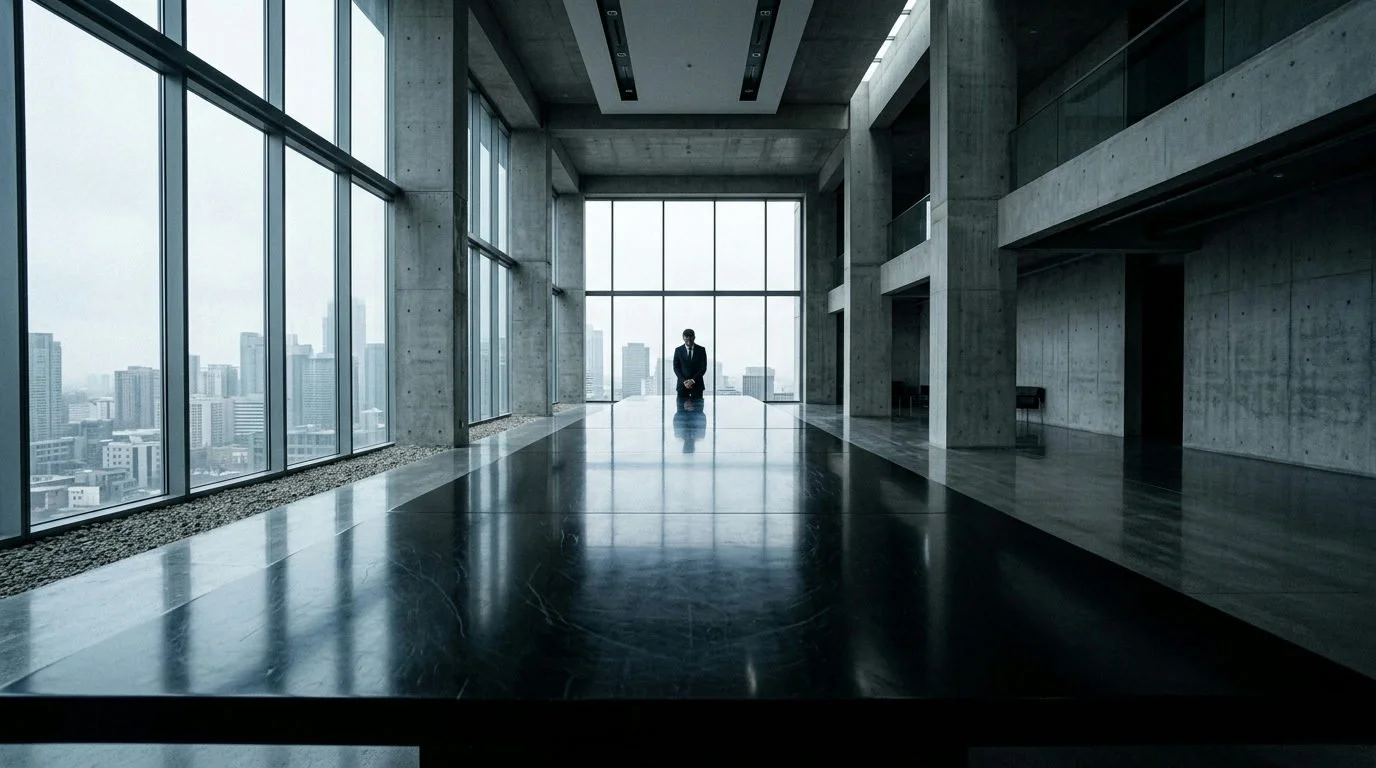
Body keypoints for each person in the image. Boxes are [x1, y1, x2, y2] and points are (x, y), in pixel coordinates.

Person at [673, 328, 708, 400]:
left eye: (691, 339)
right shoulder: (678, 350)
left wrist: (692, 381)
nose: (688, 341)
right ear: (683, 338)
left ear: (694, 338)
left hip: (697, 385)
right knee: (681, 410)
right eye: (686, 339)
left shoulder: (701, 350)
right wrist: (684, 381)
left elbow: (703, 368)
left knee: (698, 410)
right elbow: (676, 367)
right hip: (682, 385)